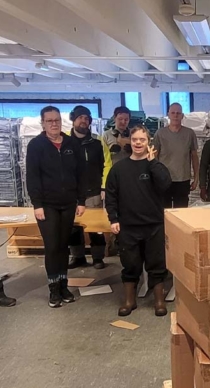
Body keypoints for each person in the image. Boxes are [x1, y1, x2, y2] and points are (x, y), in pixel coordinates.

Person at [105, 125, 172, 317]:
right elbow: (111, 196)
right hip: (128, 226)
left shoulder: (156, 166)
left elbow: (165, 184)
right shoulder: (119, 169)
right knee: (130, 264)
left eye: (142, 140)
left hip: (154, 224)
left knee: (156, 264)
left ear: (148, 142)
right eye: (134, 139)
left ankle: (158, 301)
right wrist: (113, 218)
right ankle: (129, 300)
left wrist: (152, 162)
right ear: (130, 141)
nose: (138, 143)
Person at [26, 106, 86, 308]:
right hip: (47, 205)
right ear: (43, 123)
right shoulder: (36, 145)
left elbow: (81, 173)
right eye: (50, 120)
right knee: (52, 246)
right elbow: (32, 176)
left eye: (57, 120)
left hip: (68, 203)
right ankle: (53, 289)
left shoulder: (71, 143)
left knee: (63, 246)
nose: (54, 124)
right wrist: (37, 204)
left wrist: (81, 200)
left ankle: (63, 285)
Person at [67, 106, 107, 269]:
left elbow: (106, 164)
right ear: (73, 120)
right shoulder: (65, 142)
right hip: (71, 193)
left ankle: (98, 258)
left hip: (93, 191)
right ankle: (78, 257)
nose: (83, 121)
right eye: (80, 118)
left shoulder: (97, 142)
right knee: (73, 227)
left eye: (86, 118)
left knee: (96, 227)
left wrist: (103, 187)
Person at [153, 103, 198, 208]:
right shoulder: (160, 134)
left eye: (178, 113)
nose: (175, 115)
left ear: (182, 116)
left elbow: (194, 157)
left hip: (183, 180)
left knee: (181, 212)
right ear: (168, 115)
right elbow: (154, 158)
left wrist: (196, 178)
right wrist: (154, 178)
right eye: (173, 113)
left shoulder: (189, 134)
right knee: (165, 212)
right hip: (164, 179)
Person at [101, 106, 132, 256]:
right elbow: (103, 158)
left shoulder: (133, 135)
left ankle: (126, 243)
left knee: (128, 210)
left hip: (129, 178)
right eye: (120, 119)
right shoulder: (106, 135)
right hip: (112, 179)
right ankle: (111, 244)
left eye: (126, 119)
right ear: (114, 118)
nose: (123, 122)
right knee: (112, 211)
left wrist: (127, 144)